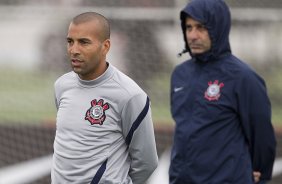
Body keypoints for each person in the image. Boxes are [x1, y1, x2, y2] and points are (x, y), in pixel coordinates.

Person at [169, 0, 276, 183]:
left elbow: (262, 136)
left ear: (218, 27)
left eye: (201, 27)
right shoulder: (180, 75)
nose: (193, 35)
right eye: (189, 28)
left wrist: (259, 173)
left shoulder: (243, 77)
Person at [51, 12, 158, 184]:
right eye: (70, 41)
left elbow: (147, 163)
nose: (74, 50)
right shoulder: (62, 85)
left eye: (84, 42)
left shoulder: (130, 95)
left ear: (105, 46)